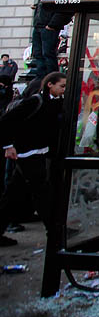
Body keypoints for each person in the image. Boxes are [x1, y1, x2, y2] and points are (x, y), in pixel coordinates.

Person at [0, 71, 66, 246]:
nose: (63, 90)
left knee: (12, 194)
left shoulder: (58, 103)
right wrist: (8, 146)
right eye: (62, 86)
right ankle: (54, 232)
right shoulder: (36, 101)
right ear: (50, 84)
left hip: (38, 152)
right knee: (42, 192)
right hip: (27, 153)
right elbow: (7, 121)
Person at [31, 0, 72, 78]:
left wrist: (52, 25)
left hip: (47, 28)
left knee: (47, 54)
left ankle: (51, 77)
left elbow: (64, 10)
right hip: (39, 27)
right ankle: (41, 78)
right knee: (39, 55)